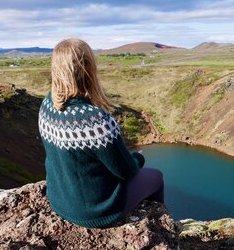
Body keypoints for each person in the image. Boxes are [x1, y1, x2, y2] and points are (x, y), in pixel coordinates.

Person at [38, 38, 164, 228]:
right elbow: (126, 171)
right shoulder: (94, 120)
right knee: (156, 177)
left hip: (59, 199)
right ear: (88, 69)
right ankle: (160, 227)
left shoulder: (47, 104)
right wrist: (138, 158)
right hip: (95, 211)